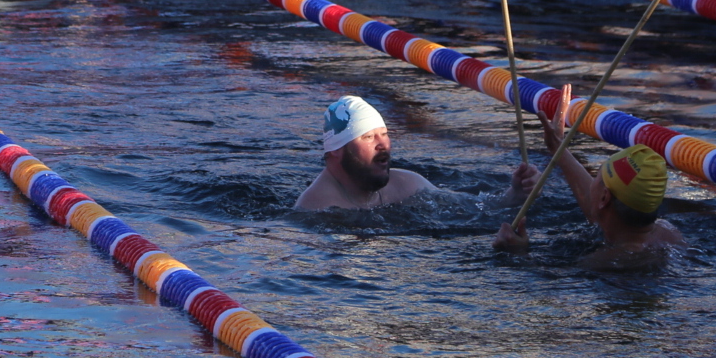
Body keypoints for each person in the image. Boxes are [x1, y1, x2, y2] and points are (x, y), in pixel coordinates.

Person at [492, 102, 687, 271]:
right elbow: (601, 209)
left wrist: (518, 256)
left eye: (596, 177)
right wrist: (558, 149)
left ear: (604, 198)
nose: (590, 181)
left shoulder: (606, 261)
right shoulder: (667, 232)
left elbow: (549, 288)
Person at [293, 94, 538, 212]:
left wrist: (515, 194)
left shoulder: (408, 183)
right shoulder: (316, 208)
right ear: (335, 152)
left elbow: (474, 207)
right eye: (368, 137)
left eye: (385, 134)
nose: (383, 145)